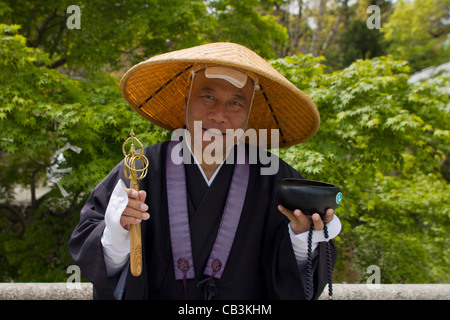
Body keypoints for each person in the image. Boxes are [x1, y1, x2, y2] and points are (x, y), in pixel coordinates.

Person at [68, 42, 342, 300]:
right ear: (186, 98)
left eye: (235, 102)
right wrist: (118, 232)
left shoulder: (276, 178)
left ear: (249, 113)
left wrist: (301, 238)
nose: (219, 114)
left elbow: (299, 278)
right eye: (207, 96)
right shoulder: (140, 169)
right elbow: (92, 249)